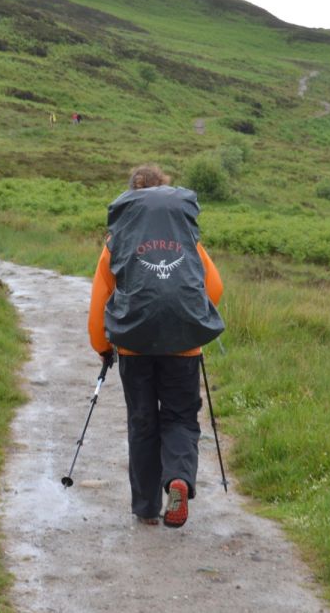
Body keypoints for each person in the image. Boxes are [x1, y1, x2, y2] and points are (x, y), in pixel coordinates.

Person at [87, 164, 224, 527]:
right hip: (183, 348)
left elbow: (101, 297)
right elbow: (215, 287)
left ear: (130, 197)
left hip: (134, 347)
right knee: (180, 417)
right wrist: (191, 321)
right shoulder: (187, 239)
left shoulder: (117, 240)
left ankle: (146, 508)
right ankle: (178, 478)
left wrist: (102, 345)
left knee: (143, 422)